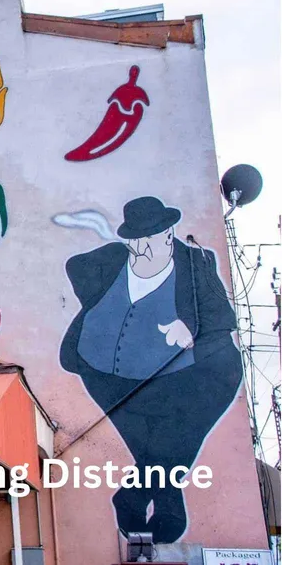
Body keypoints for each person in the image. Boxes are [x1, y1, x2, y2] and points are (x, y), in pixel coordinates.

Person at [59, 196, 242, 543]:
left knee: (170, 438)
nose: (143, 247)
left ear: (169, 234)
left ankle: (134, 497)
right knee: (153, 445)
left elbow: (221, 319)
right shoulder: (111, 260)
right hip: (108, 376)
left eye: (152, 237)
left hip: (185, 377)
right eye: (137, 239)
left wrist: (188, 326)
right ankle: (158, 503)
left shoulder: (196, 264)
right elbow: (74, 265)